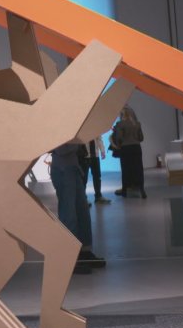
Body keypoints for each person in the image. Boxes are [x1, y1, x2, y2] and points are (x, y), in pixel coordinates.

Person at [51, 143, 105, 274]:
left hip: (72, 168)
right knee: (69, 216)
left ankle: (84, 252)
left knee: (83, 214)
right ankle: (71, 258)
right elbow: (61, 149)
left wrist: (78, 142)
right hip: (63, 169)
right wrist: (78, 142)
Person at [113, 106, 146, 199]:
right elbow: (141, 138)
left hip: (125, 149)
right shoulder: (137, 124)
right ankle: (142, 190)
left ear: (122, 115)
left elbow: (119, 138)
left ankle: (124, 191)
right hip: (136, 148)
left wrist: (118, 145)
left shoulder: (120, 124)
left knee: (125, 169)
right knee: (139, 169)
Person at [80, 137, 109, 204]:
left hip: (95, 155)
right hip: (84, 156)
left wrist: (102, 150)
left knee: (97, 176)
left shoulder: (95, 130)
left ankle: (98, 196)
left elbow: (99, 139)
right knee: (84, 178)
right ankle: (83, 199)